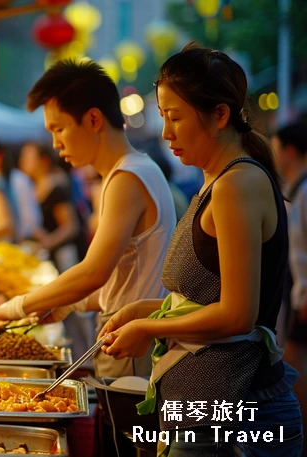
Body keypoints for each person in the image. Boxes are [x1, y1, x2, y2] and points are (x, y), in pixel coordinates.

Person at [99, 43, 302, 456]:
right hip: (202, 412)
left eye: (175, 117)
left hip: (236, 418)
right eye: (163, 117)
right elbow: (202, 296)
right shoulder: (215, 181)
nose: (166, 133)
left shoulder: (236, 185)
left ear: (220, 115)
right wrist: (145, 311)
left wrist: (147, 329)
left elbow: (236, 313)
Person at [0, 60, 177, 379]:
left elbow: (93, 271)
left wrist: (18, 306)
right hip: (121, 333)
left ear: (93, 119)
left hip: (130, 344)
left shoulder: (128, 177)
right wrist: (70, 304)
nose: (55, 143)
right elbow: (126, 279)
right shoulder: (125, 172)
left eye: (59, 128)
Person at [19, 142, 88, 270]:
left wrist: (47, 242)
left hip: (65, 256)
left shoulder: (56, 188)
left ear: (43, 161)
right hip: (48, 255)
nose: (23, 161)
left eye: (28, 158)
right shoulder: (30, 188)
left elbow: (70, 227)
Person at [272, 123, 307, 340]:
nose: (272, 155)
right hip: (292, 289)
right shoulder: (290, 190)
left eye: (275, 149)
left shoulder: (304, 192)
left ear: (290, 152)